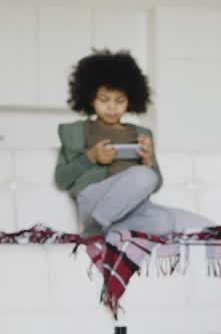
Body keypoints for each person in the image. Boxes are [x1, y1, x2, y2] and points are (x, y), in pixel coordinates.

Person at [53, 50, 211, 236]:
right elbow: (62, 179)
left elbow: (156, 183)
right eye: (104, 100)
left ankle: (107, 231)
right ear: (91, 99)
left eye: (119, 101)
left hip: (132, 207)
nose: (112, 107)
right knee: (144, 176)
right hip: (94, 201)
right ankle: (95, 225)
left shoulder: (141, 134)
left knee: (199, 225)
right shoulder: (77, 131)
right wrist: (91, 156)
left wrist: (148, 160)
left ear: (130, 101)